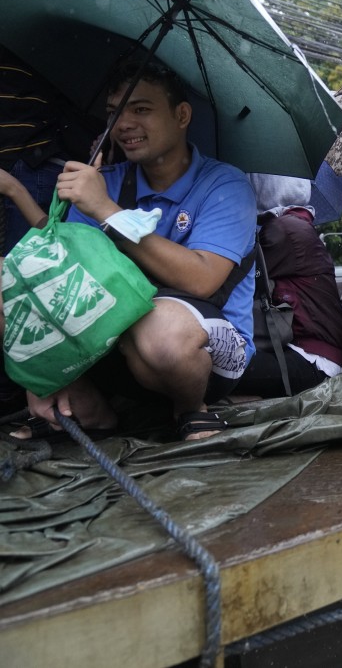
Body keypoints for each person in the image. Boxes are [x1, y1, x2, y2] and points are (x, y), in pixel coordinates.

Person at [23, 61, 257, 442]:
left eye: (141, 109)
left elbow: (201, 279)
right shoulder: (102, 183)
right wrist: (38, 367)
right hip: (112, 343)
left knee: (161, 327)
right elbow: (62, 276)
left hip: (205, 355)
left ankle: (189, 409)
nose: (123, 124)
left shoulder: (225, 184)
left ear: (181, 115)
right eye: (114, 112)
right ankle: (90, 408)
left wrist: (106, 212)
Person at [234, 173, 342, 398]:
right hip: (316, 353)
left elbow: (231, 278)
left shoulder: (282, 230)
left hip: (312, 359)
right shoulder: (295, 223)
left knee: (218, 367)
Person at [0, 46, 101, 253]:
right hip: (38, 159)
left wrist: (14, 189)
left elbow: (59, 251)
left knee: (26, 264)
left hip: (28, 161)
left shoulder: (22, 41)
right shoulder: (35, 47)